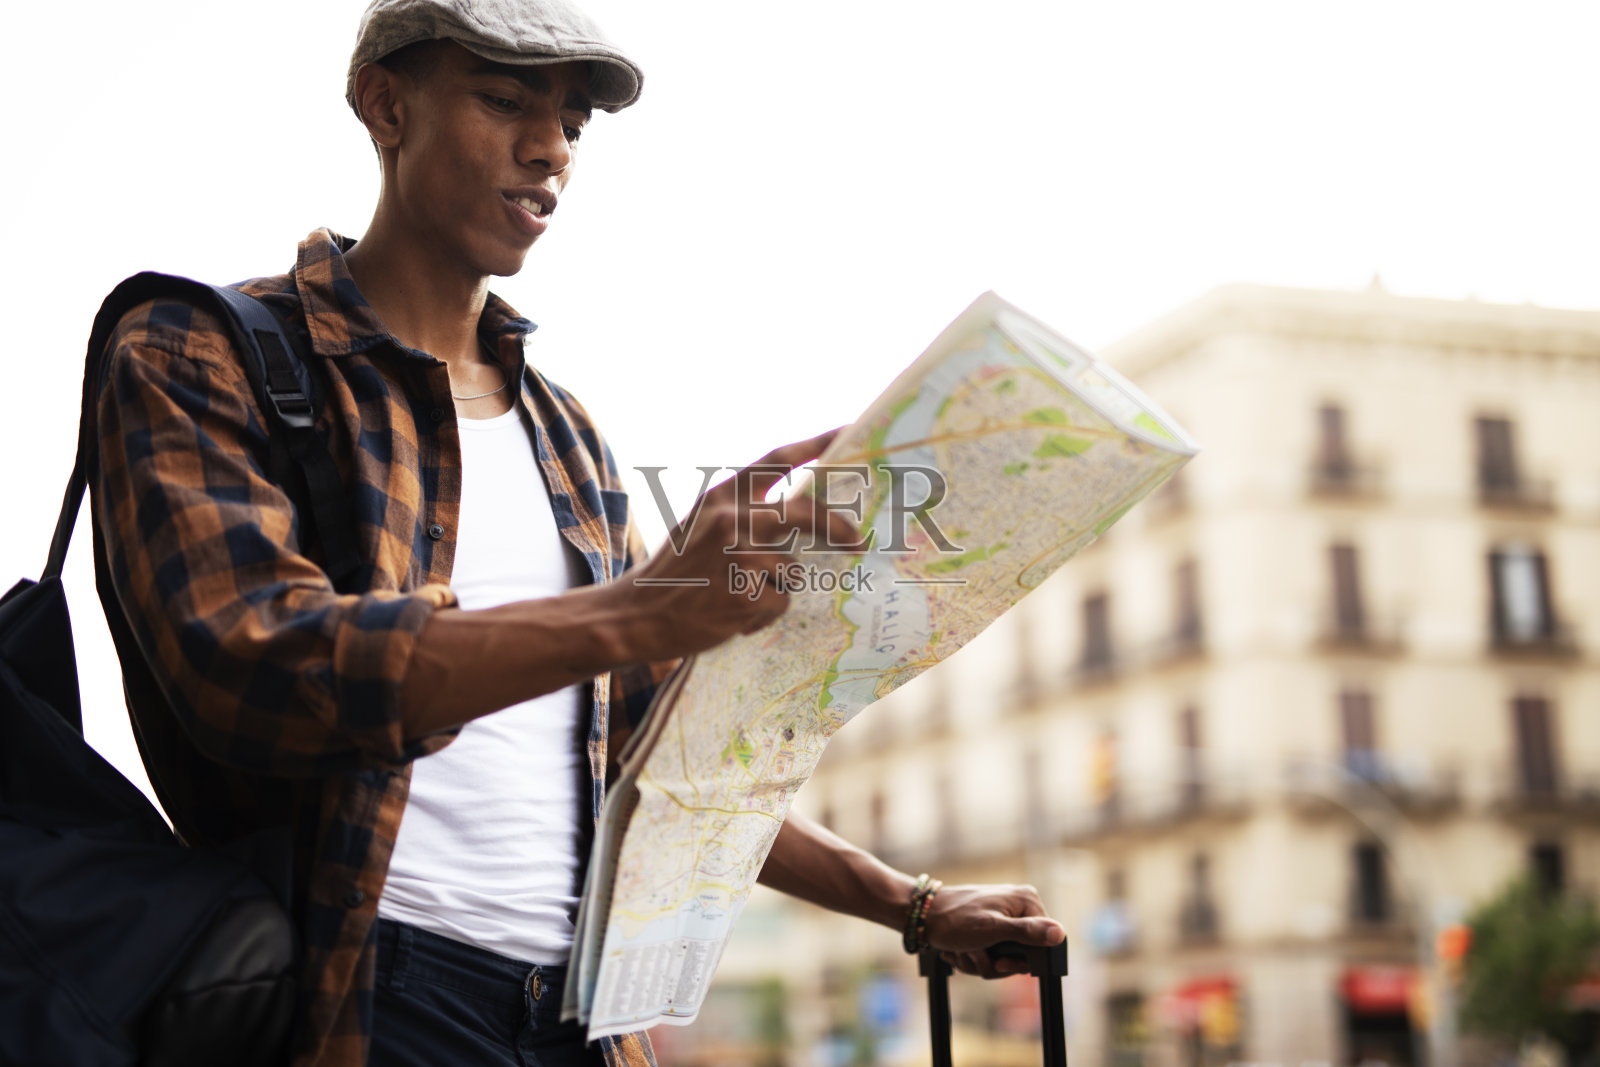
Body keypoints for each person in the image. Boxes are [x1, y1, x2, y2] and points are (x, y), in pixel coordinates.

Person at [89, 0, 1065, 1064]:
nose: (548, 146)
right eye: (504, 99)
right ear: (385, 104)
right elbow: (255, 668)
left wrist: (909, 906)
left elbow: (644, 761)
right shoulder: (198, 349)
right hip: (364, 996)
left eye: (572, 123)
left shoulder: (569, 437)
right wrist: (642, 607)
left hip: (581, 1018)